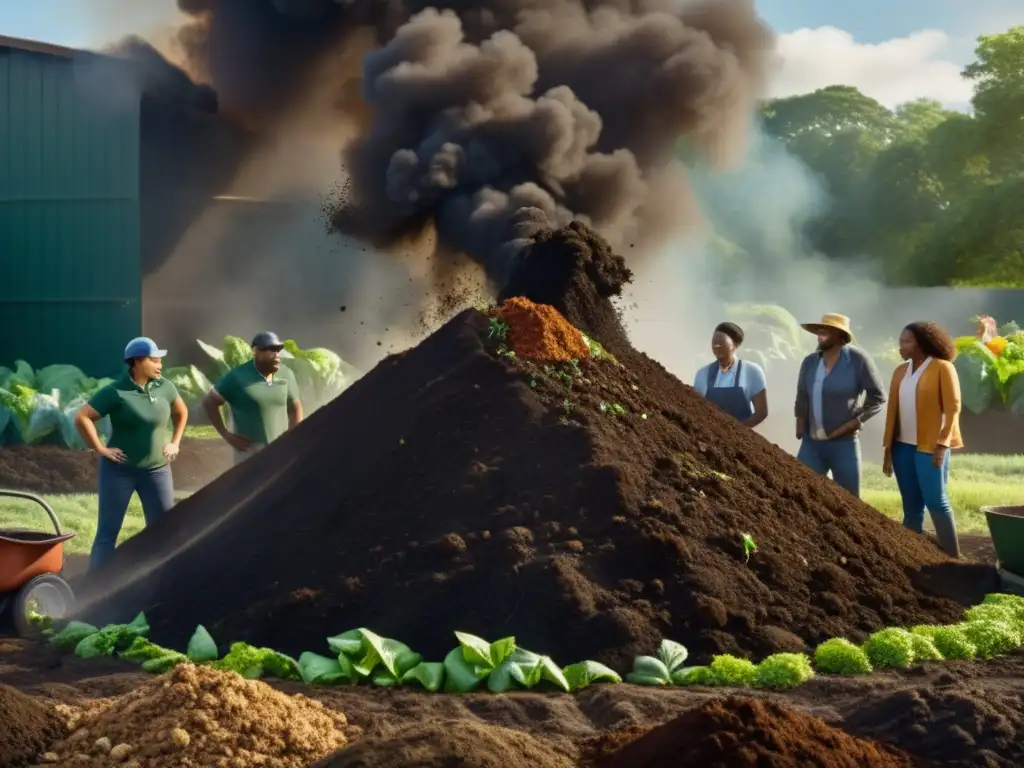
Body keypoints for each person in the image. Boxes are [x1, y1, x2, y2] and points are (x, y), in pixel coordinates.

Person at [74, 337, 188, 570]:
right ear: (137, 362)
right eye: (154, 360)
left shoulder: (166, 386)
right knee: (107, 533)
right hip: (119, 472)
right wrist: (100, 448)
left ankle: (162, 581)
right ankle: (94, 588)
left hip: (157, 470)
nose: (160, 365)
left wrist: (175, 442)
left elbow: (181, 412)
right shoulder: (116, 392)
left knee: (164, 530)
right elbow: (82, 417)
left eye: (160, 360)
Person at [881, 322, 962, 557]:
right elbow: (892, 412)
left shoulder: (942, 368)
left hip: (930, 446)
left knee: (936, 501)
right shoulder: (899, 372)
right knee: (911, 506)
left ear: (922, 343)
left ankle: (953, 557)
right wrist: (888, 449)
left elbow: (952, 408)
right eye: (900, 342)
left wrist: (942, 444)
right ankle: (913, 555)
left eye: (907, 342)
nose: (901, 346)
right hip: (901, 447)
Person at [794, 313, 885, 497]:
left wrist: (854, 422)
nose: (821, 332)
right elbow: (802, 395)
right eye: (820, 328)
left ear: (840, 334)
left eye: (827, 329)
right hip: (811, 444)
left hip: (843, 443)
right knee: (799, 493)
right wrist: (800, 422)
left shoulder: (857, 360)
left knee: (849, 500)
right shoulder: (810, 361)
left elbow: (877, 397)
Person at [202, 331, 303, 465]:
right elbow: (209, 402)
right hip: (249, 451)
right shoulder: (237, 376)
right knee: (250, 485)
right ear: (256, 352)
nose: (276, 355)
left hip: (279, 448)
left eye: (278, 350)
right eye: (271, 349)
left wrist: (292, 439)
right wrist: (226, 435)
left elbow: (295, 408)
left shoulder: (286, 374)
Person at [693, 322, 768, 427]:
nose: (717, 347)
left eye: (722, 343)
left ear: (735, 345)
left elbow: (761, 413)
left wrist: (737, 432)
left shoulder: (752, 372)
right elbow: (695, 409)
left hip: (741, 439)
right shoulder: (703, 374)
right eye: (714, 343)